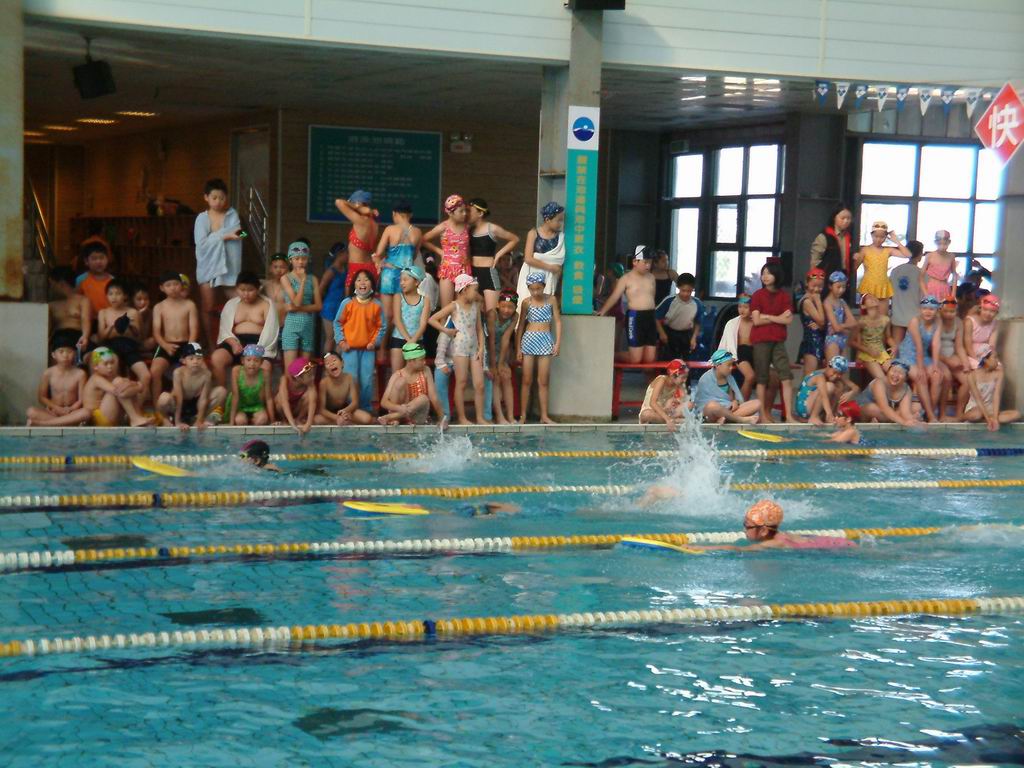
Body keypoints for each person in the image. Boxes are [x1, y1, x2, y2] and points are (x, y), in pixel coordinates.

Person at [466, 198, 520, 365]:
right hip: (473, 274)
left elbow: (514, 239)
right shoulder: (469, 229)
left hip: (488, 273)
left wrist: (498, 255)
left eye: (470, 211)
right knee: (473, 313)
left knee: (491, 316)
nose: (467, 214)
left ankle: (493, 359)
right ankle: (477, 354)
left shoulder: (492, 228)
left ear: (480, 213)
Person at [430, 273, 489, 425]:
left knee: (480, 384)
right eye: (474, 290)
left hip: (474, 349)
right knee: (461, 383)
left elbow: (479, 330)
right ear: (464, 290)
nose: (476, 293)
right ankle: (462, 418)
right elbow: (432, 319)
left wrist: (481, 348)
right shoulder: (454, 306)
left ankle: (480, 417)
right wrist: (446, 330)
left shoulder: (475, 306)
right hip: (459, 349)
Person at [194, 178, 243, 348]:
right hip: (208, 266)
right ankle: (210, 344)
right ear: (206, 197)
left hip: (230, 266)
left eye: (222, 198)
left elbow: (242, 234)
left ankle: (236, 341)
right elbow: (201, 244)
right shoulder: (202, 219)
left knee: (240, 303)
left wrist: (235, 235)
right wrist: (225, 235)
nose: (218, 201)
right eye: (214, 197)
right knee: (207, 307)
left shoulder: (232, 214)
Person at [211, 271, 278, 386]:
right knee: (217, 358)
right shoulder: (231, 304)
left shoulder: (267, 304)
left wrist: (256, 350)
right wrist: (233, 343)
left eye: (250, 290)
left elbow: (271, 330)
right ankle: (221, 392)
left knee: (265, 366)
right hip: (237, 341)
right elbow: (224, 329)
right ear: (237, 289)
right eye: (242, 290)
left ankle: (261, 396)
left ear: (258, 289)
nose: (246, 294)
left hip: (260, 343)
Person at [333, 269, 386, 412]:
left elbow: (382, 327)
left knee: (367, 380)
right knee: (352, 378)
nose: (362, 282)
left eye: (366, 279)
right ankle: (350, 409)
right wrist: (341, 341)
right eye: (359, 280)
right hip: (349, 350)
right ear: (354, 284)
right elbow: (337, 323)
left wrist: (374, 342)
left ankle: (365, 409)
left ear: (372, 284)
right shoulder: (347, 303)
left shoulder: (377, 305)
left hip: (368, 350)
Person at [515, 272, 562, 424]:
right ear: (528, 288)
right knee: (526, 380)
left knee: (543, 380)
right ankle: (523, 415)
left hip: (545, 339)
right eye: (532, 289)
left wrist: (557, 343)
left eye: (538, 288)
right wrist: (518, 348)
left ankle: (544, 416)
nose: (535, 292)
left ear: (544, 286)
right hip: (529, 339)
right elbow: (521, 326)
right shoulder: (526, 302)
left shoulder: (551, 299)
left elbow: (558, 321)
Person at [597, 245, 658, 363]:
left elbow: (652, 297)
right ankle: (609, 356)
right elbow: (615, 296)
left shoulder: (651, 277)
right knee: (635, 359)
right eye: (645, 262)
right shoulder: (626, 278)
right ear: (635, 261)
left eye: (650, 262)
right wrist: (603, 311)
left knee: (649, 358)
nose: (648, 266)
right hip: (635, 317)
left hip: (650, 316)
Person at [750, 261, 794, 422]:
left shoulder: (784, 296)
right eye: (763, 273)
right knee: (762, 379)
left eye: (768, 273)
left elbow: (788, 320)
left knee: (786, 377)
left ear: (777, 275)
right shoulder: (757, 295)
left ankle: (789, 416)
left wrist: (767, 316)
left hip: (778, 341)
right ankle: (762, 415)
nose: (765, 276)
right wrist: (777, 318)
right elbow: (756, 321)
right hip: (760, 340)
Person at [150, 271, 200, 407]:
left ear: (181, 286)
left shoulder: (189, 305)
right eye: (168, 285)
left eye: (176, 284)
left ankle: (186, 405)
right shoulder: (159, 307)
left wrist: (189, 349)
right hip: (166, 344)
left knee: (195, 369)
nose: (173, 288)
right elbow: (156, 332)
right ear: (162, 288)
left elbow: (194, 329)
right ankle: (157, 407)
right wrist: (165, 345)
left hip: (186, 344)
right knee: (155, 371)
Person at [96, 280, 151, 403]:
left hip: (129, 347)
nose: (114, 297)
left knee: (146, 375)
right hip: (111, 347)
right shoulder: (103, 313)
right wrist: (112, 325)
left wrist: (130, 326)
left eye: (118, 293)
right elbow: (100, 338)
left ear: (125, 296)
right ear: (106, 296)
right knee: (114, 376)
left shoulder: (132, 312)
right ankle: (116, 406)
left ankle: (137, 406)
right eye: (110, 294)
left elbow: (140, 338)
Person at [374, 201, 423, 326]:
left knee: (387, 314)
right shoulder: (417, 232)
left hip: (389, 273)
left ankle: (385, 339)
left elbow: (378, 253)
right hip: (407, 276)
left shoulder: (390, 229)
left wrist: (380, 262)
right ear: (410, 215)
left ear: (394, 214)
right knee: (402, 314)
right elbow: (414, 256)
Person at [26, 332, 90, 426]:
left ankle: (43, 424)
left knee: (86, 413)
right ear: (53, 355)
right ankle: (67, 423)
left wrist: (71, 409)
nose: (65, 355)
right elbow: (41, 397)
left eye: (69, 351)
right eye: (61, 351)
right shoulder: (48, 373)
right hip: (54, 412)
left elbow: (82, 399)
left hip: (71, 412)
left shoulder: (80, 374)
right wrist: (56, 408)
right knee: (31, 411)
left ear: (75, 353)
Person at [156, 343, 226, 430]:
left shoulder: (206, 374)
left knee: (221, 391)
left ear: (203, 360)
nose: (195, 361)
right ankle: (166, 419)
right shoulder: (178, 373)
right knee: (163, 398)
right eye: (191, 358)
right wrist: (178, 422)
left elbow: (203, 399)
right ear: (183, 361)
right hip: (178, 405)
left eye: (199, 358)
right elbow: (178, 398)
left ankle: (199, 419)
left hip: (195, 406)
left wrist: (199, 421)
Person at [897, 295, 943, 422]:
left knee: (937, 376)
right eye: (925, 308)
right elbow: (918, 346)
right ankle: (931, 415)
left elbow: (936, 344)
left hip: (924, 356)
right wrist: (921, 368)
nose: (928, 312)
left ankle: (929, 412)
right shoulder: (915, 322)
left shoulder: (938, 321)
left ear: (937, 310)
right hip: (908, 354)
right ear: (920, 309)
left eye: (931, 309)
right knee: (920, 377)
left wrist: (935, 365)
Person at [379, 342, 446, 425]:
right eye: (421, 360)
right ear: (411, 361)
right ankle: (396, 418)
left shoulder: (426, 370)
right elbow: (384, 402)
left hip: (417, 417)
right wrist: (399, 408)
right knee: (400, 382)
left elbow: (434, 397)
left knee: (423, 398)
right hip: (399, 413)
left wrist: (442, 419)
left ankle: (390, 417)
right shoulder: (397, 375)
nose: (424, 362)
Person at [83, 347, 153, 427]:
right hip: (99, 419)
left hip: (111, 415)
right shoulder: (95, 379)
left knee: (123, 383)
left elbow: (124, 391)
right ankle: (134, 418)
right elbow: (119, 392)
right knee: (120, 383)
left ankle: (138, 417)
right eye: (106, 364)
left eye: (112, 363)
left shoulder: (111, 377)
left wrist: (133, 386)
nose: (110, 366)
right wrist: (138, 386)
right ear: (95, 366)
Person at [422, 194, 470, 308]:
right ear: (450, 213)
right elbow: (423, 240)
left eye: (465, 211)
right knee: (446, 307)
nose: (464, 214)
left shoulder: (467, 227)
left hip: (464, 269)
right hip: (447, 269)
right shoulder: (443, 227)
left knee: (462, 307)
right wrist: (439, 251)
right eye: (461, 211)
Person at [854, 221, 911, 316]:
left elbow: (908, 255)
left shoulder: (887, 250)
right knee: (868, 319)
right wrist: (856, 258)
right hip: (868, 287)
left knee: (883, 318)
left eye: (882, 237)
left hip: (883, 286)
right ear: (871, 235)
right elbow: (855, 267)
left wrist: (896, 241)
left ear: (886, 237)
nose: (878, 239)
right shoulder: (865, 250)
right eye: (876, 236)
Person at [280, 241, 323, 368]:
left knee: (304, 369)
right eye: (297, 258)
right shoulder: (286, 278)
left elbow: (318, 306)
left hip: (308, 325)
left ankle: (304, 383)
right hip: (291, 325)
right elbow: (297, 301)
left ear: (308, 260)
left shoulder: (313, 279)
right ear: (290, 260)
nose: (300, 262)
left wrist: (295, 308)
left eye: (304, 258)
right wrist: (303, 281)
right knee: (290, 368)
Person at [692, 349, 761, 424]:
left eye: (732, 365)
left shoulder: (729, 377)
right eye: (728, 365)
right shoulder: (705, 379)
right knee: (712, 406)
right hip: (709, 414)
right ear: (718, 365)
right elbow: (701, 404)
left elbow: (732, 399)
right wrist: (726, 406)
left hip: (728, 411)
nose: (731, 368)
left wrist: (735, 402)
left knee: (758, 403)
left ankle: (727, 419)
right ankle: (740, 419)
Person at [516, 202, 566, 305]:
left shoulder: (561, 237)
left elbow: (559, 258)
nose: (560, 224)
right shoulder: (533, 233)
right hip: (531, 273)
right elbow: (528, 258)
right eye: (558, 220)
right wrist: (550, 267)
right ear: (547, 219)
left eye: (561, 220)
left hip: (550, 277)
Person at [334, 190, 380, 292]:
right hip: (370, 267)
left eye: (352, 203)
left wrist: (357, 207)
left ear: (358, 203)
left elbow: (339, 202)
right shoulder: (374, 224)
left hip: (357, 269)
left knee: (350, 301)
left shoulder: (361, 220)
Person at [962, 351, 1020, 431]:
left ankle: (983, 421)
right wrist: (988, 420)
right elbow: (978, 399)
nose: (997, 361)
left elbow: (996, 396)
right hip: (976, 408)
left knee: (1016, 414)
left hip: (990, 410)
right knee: (977, 415)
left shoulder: (999, 374)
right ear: (985, 360)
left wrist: (995, 418)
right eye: (994, 358)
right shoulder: (972, 375)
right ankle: (961, 418)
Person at [793, 356, 858, 425]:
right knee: (830, 386)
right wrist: (829, 413)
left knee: (840, 384)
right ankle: (814, 417)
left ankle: (831, 415)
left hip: (813, 406)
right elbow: (824, 396)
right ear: (829, 366)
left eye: (840, 374)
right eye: (835, 372)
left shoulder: (836, 374)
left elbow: (856, 388)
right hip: (804, 408)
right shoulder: (819, 376)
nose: (836, 376)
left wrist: (851, 393)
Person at [313, 351, 373, 426]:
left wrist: (345, 411)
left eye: (334, 360)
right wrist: (336, 418)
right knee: (317, 420)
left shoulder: (349, 378)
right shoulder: (324, 383)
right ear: (325, 370)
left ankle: (344, 421)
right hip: (330, 414)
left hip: (345, 410)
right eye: (327, 363)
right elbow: (322, 409)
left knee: (367, 418)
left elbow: (355, 403)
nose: (331, 364)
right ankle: (343, 422)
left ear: (342, 363)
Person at [389, 266, 430, 373]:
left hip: (417, 340)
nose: (402, 283)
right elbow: (397, 320)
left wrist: (413, 341)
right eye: (401, 280)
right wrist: (409, 340)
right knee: (397, 374)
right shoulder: (398, 297)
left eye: (405, 280)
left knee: (415, 375)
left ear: (416, 282)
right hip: (399, 338)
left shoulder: (425, 300)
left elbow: (423, 324)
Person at [856, 359, 919, 426]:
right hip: (864, 410)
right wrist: (903, 422)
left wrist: (913, 421)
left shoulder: (906, 389)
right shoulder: (879, 383)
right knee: (872, 408)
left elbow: (905, 412)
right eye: (894, 371)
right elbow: (884, 407)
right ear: (888, 372)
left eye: (900, 373)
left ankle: (885, 421)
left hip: (885, 414)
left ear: (905, 378)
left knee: (912, 409)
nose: (896, 375)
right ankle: (891, 420)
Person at [718, 295, 757, 400]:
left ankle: (749, 405)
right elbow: (726, 342)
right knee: (750, 376)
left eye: (746, 307)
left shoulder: (756, 322)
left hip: (754, 352)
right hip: (740, 352)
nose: (742, 310)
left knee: (765, 379)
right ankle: (741, 405)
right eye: (740, 307)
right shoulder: (732, 323)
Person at [936, 296, 969, 421]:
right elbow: (930, 348)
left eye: (952, 312)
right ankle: (942, 414)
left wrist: (965, 363)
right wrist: (947, 360)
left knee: (967, 380)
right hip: (937, 357)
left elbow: (959, 346)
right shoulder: (935, 321)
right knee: (947, 377)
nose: (949, 314)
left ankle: (959, 414)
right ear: (940, 310)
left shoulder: (958, 322)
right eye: (946, 311)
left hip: (951, 355)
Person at [655, 273, 702, 360]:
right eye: (683, 290)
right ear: (678, 287)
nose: (686, 294)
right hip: (669, 333)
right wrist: (662, 333)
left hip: (687, 334)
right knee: (669, 359)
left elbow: (698, 322)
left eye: (689, 291)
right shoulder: (669, 301)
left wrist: (694, 338)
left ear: (693, 289)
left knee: (686, 360)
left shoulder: (697, 304)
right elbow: (656, 317)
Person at [809, 204, 853, 294]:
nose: (846, 221)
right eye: (843, 218)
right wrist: (816, 281)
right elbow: (815, 261)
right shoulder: (824, 236)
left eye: (848, 218)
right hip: (826, 278)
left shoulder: (850, 237)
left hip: (843, 278)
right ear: (834, 218)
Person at [47, 266, 91, 356]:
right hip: (59, 336)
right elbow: (48, 328)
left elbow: (85, 319)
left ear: (61, 284)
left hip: (78, 335)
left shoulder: (82, 300)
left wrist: (85, 336)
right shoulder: (51, 305)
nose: (51, 288)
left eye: (52, 284)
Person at [492, 290, 520, 424]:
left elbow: (506, 339)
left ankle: (510, 416)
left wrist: (502, 363)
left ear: (515, 307)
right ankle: (499, 416)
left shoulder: (515, 317)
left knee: (507, 376)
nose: (506, 310)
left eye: (510, 307)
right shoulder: (492, 314)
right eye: (503, 306)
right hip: (488, 349)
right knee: (496, 378)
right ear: (498, 305)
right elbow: (490, 340)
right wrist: (495, 365)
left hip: (502, 351)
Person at [638, 358, 691, 430]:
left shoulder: (679, 384)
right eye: (683, 378)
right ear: (673, 376)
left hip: (665, 412)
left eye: (686, 377)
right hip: (652, 411)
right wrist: (667, 419)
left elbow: (684, 400)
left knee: (689, 404)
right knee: (646, 414)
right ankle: (674, 421)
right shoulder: (661, 380)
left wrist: (675, 401)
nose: (685, 380)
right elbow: (652, 403)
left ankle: (670, 420)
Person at [889, 239, 923, 348]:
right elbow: (924, 297)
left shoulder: (895, 271)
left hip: (897, 316)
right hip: (915, 318)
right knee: (913, 350)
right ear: (920, 255)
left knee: (896, 349)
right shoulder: (921, 274)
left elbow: (889, 293)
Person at [851, 294, 892, 382]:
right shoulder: (862, 322)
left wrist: (895, 346)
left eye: (874, 297)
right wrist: (866, 351)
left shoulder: (885, 320)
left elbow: (888, 338)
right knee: (882, 378)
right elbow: (852, 341)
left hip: (881, 352)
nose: (873, 298)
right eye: (869, 298)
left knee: (893, 372)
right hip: (867, 354)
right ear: (863, 306)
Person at [319, 243, 349, 354]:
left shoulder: (345, 270)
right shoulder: (331, 271)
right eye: (346, 253)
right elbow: (320, 289)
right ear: (340, 254)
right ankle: (326, 363)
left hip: (341, 307)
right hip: (329, 308)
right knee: (330, 338)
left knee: (340, 339)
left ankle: (337, 363)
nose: (348, 255)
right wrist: (321, 304)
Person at [796, 268, 826, 377]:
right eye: (814, 285)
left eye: (820, 286)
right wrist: (818, 301)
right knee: (810, 376)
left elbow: (822, 325)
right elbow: (822, 321)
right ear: (807, 283)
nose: (817, 289)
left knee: (820, 376)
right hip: (811, 342)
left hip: (820, 340)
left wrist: (821, 326)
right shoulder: (807, 301)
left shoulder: (816, 300)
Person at [276, 356, 317, 434]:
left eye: (312, 374)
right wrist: (292, 424)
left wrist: (308, 424)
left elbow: (313, 402)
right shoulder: (285, 380)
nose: (313, 377)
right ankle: (285, 420)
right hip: (286, 409)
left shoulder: (310, 383)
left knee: (308, 396)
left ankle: (299, 419)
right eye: (309, 376)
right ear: (298, 378)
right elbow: (284, 402)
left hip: (298, 408)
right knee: (279, 398)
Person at [823, 271, 856, 362]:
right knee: (833, 368)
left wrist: (842, 326)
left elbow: (854, 323)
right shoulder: (827, 302)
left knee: (844, 368)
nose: (841, 290)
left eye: (843, 287)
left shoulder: (842, 302)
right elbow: (836, 328)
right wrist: (845, 328)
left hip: (843, 339)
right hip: (832, 340)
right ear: (830, 286)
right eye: (838, 287)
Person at [920, 230, 959, 301]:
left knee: (945, 308)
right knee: (931, 307)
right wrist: (926, 294)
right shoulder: (930, 256)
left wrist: (953, 294)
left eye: (945, 243)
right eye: (940, 243)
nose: (942, 246)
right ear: (935, 242)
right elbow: (920, 276)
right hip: (931, 288)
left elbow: (954, 274)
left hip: (945, 288)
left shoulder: (951, 256)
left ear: (949, 242)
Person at [76, 244, 114, 316]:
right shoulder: (81, 280)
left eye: (102, 258)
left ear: (107, 259)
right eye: (94, 258)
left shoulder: (112, 280)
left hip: (108, 318)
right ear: (86, 261)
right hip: (87, 318)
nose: (98, 262)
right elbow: (77, 301)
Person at [964, 293, 1000, 370]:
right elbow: (968, 345)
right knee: (981, 368)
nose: (988, 314)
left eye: (992, 311)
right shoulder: (970, 321)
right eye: (985, 310)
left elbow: (992, 345)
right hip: (970, 354)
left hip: (985, 352)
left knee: (998, 367)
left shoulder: (995, 323)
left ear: (996, 313)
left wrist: (992, 358)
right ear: (980, 309)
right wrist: (978, 361)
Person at [264, 253, 290, 328]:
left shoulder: (291, 286)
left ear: (287, 269)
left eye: (282, 267)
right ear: (270, 268)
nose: (278, 270)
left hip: (285, 327)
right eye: (275, 267)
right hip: (268, 327)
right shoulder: (265, 285)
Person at [131, 284, 156, 353]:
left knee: (152, 341)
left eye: (146, 299)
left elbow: (146, 336)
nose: (143, 302)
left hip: (145, 343)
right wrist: (138, 316)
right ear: (132, 300)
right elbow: (135, 336)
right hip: (132, 343)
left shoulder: (151, 313)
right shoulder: (129, 312)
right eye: (139, 299)